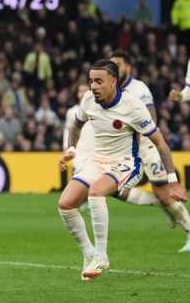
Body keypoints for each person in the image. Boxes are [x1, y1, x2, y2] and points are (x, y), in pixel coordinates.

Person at [59, 60, 186, 282]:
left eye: (99, 81)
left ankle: (101, 256)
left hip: (127, 163)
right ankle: (89, 253)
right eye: (91, 80)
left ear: (113, 82)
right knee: (66, 205)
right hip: (98, 161)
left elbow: (161, 143)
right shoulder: (89, 100)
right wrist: (71, 149)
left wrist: (173, 181)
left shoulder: (133, 107)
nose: (93, 86)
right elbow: (76, 125)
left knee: (96, 193)